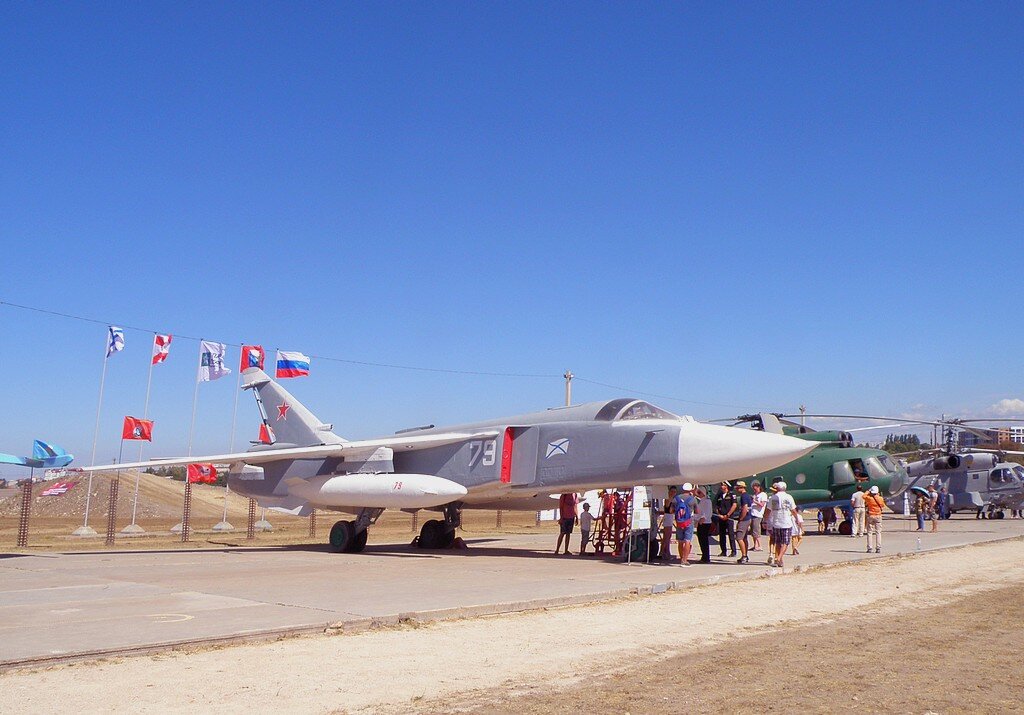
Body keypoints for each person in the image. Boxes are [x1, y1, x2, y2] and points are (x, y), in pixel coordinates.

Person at [764, 481, 797, 568]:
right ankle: (778, 558)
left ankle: (779, 559)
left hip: (776, 522)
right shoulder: (788, 497)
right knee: (785, 542)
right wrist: (797, 518)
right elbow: (793, 510)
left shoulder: (773, 498)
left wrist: (765, 520)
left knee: (778, 542)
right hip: (786, 522)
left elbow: (768, 510)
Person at [673, 483, 696, 566]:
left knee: (680, 541)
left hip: (679, 522)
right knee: (687, 541)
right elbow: (697, 511)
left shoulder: (676, 498)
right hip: (688, 522)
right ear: (690, 489)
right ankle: (684, 560)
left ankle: (681, 558)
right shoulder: (692, 499)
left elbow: (672, 510)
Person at [714, 482, 737, 557]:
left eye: (723, 485)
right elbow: (716, 506)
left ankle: (733, 551)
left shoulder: (731, 495)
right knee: (722, 535)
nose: (721, 486)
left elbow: (734, 505)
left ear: (726, 486)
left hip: (729, 518)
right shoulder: (719, 495)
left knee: (731, 534)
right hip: (721, 518)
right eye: (721, 485)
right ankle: (723, 551)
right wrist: (719, 514)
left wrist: (728, 515)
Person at [734, 481, 754, 564]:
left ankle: (744, 556)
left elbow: (745, 508)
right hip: (748, 518)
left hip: (744, 519)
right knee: (744, 538)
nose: (737, 489)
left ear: (741, 487)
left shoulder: (743, 496)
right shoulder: (748, 496)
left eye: (738, 488)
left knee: (739, 538)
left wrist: (741, 519)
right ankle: (745, 554)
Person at [694, 486, 713, 563]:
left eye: (699, 493)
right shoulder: (702, 500)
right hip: (701, 522)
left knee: (704, 540)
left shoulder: (707, 501)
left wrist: (703, 518)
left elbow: (708, 512)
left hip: (705, 522)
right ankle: (704, 556)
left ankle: (706, 557)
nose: (698, 494)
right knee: (701, 540)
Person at [864, 485, 885, 554]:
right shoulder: (881, 498)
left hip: (871, 515)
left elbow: (863, 496)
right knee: (878, 532)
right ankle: (878, 548)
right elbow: (883, 506)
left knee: (869, 532)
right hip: (878, 516)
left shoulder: (869, 498)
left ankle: (869, 548)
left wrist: (868, 491)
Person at [659, 487, 677, 562]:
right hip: (668, 517)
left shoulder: (673, 499)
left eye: (674, 492)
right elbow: (667, 507)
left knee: (667, 536)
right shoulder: (668, 499)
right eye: (672, 491)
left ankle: (663, 552)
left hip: (670, 517)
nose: (673, 493)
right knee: (667, 536)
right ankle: (665, 552)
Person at [750, 481, 767, 551]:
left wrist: (754, 501)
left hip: (758, 514)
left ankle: (759, 545)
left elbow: (762, 504)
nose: (754, 490)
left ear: (759, 487)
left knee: (756, 531)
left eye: (755, 489)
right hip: (752, 513)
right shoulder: (755, 495)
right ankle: (755, 545)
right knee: (753, 531)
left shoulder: (763, 495)